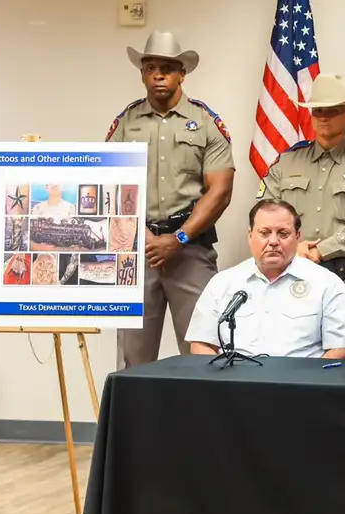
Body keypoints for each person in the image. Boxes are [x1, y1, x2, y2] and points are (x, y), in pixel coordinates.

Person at [107, 31, 235, 369]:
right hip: (137, 249)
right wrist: (145, 237)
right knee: (133, 358)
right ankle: (136, 423)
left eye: (167, 67)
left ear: (182, 73)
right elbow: (110, 184)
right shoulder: (126, 123)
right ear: (142, 73)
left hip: (190, 250)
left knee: (203, 353)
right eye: (150, 67)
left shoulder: (206, 122)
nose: (158, 74)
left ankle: (200, 424)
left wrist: (178, 238)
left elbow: (220, 191)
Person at [258, 73, 345, 339]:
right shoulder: (287, 162)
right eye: (318, 111)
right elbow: (264, 213)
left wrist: (322, 250)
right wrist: (295, 248)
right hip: (289, 274)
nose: (324, 117)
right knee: (287, 352)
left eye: (333, 110)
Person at [185, 198, 345, 358]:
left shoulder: (326, 283)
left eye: (283, 233)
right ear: (250, 236)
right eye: (264, 233)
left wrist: (308, 384)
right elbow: (201, 343)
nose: (273, 241)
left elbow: (342, 347)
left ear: (297, 237)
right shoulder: (223, 283)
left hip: (301, 387)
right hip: (235, 386)